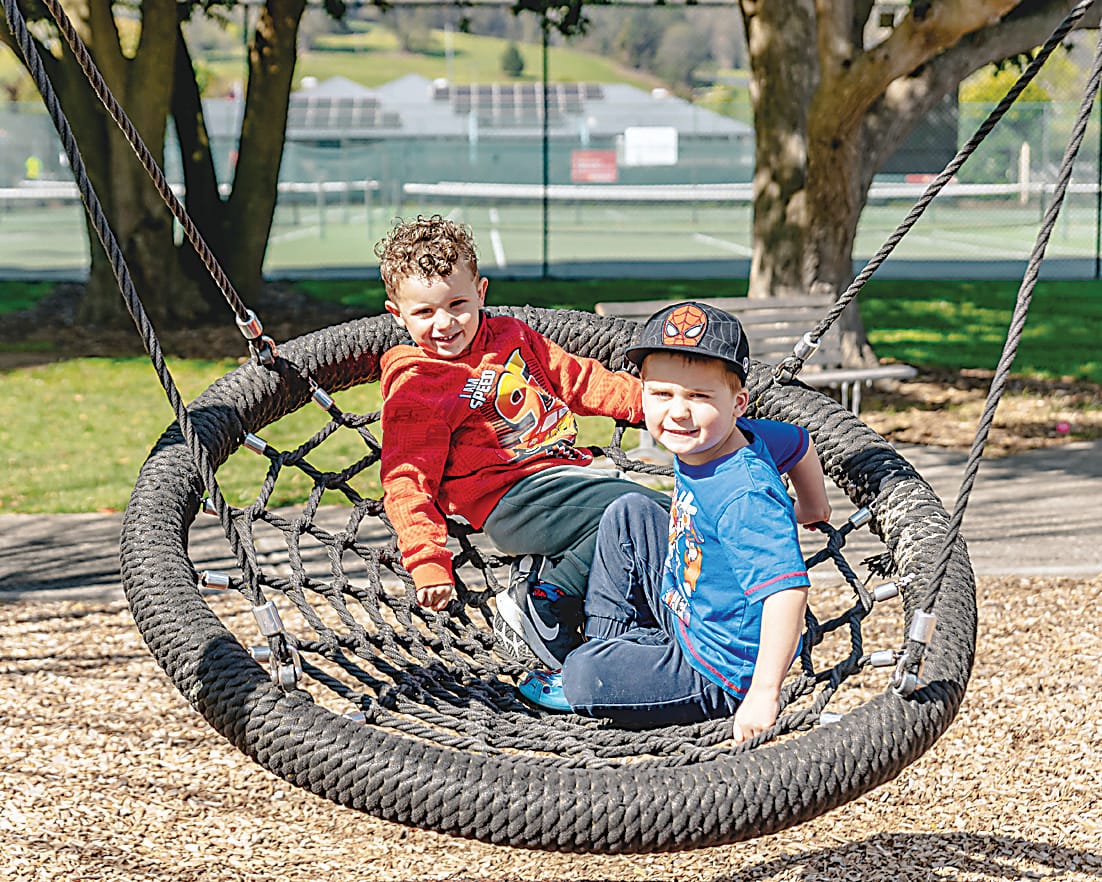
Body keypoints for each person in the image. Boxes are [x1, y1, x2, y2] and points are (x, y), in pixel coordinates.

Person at [378, 217, 825, 670]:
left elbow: (580, 379)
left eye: (457, 304)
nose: (445, 323)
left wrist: (653, 407)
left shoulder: (511, 335)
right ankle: (545, 598)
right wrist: (427, 559)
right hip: (509, 498)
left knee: (653, 518)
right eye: (425, 313)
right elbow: (406, 480)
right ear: (398, 315)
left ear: (481, 292)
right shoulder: (417, 386)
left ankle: (611, 603)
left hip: (563, 477)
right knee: (646, 515)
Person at [519, 302, 829, 744]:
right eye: (662, 394)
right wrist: (813, 507)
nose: (678, 412)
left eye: (699, 397)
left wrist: (763, 693)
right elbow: (798, 442)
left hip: (715, 668)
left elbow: (787, 593)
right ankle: (614, 647)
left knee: (584, 676)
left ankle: (603, 667)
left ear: (737, 403)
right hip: (686, 608)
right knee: (629, 512)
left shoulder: (745, 496)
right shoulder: (737, 435)